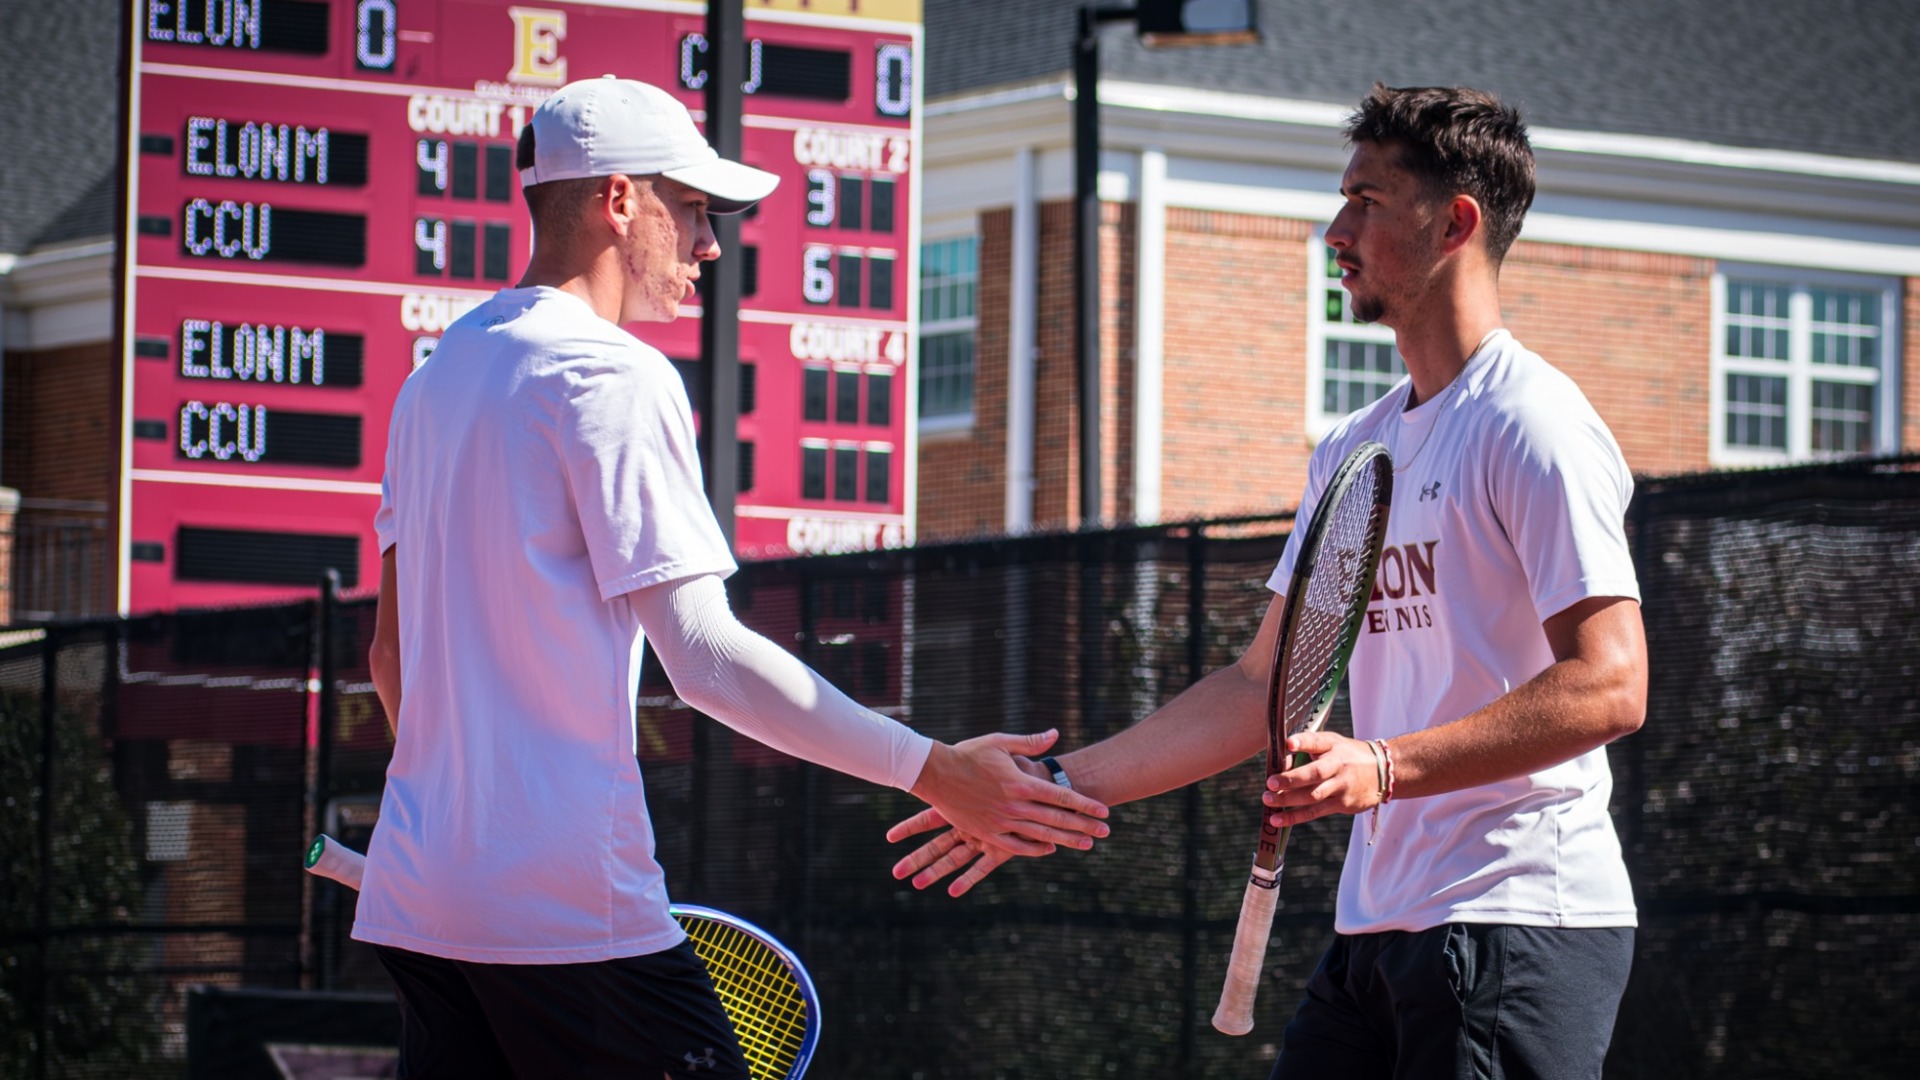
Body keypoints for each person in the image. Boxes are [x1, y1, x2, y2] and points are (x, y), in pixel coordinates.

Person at [890, 83, 1649, 1080]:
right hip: (1378, 929)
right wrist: (1055, 790)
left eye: (1367, 202)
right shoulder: (1353, 446)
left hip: (1515, 918)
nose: (1336, 230)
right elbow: (1262, 691)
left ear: (1455, 221)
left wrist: (1382, 766)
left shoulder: (1533, 425)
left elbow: (1610, 683)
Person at [359, 75, 1109, 1079]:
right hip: (566, 914)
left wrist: (468, 816)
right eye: (695, 210)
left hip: (424, 904)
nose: (711, 244)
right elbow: (704, 659)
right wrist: (937, 771)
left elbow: (389, 658)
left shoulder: (433, 379)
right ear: (618, 200)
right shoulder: (611, 377)